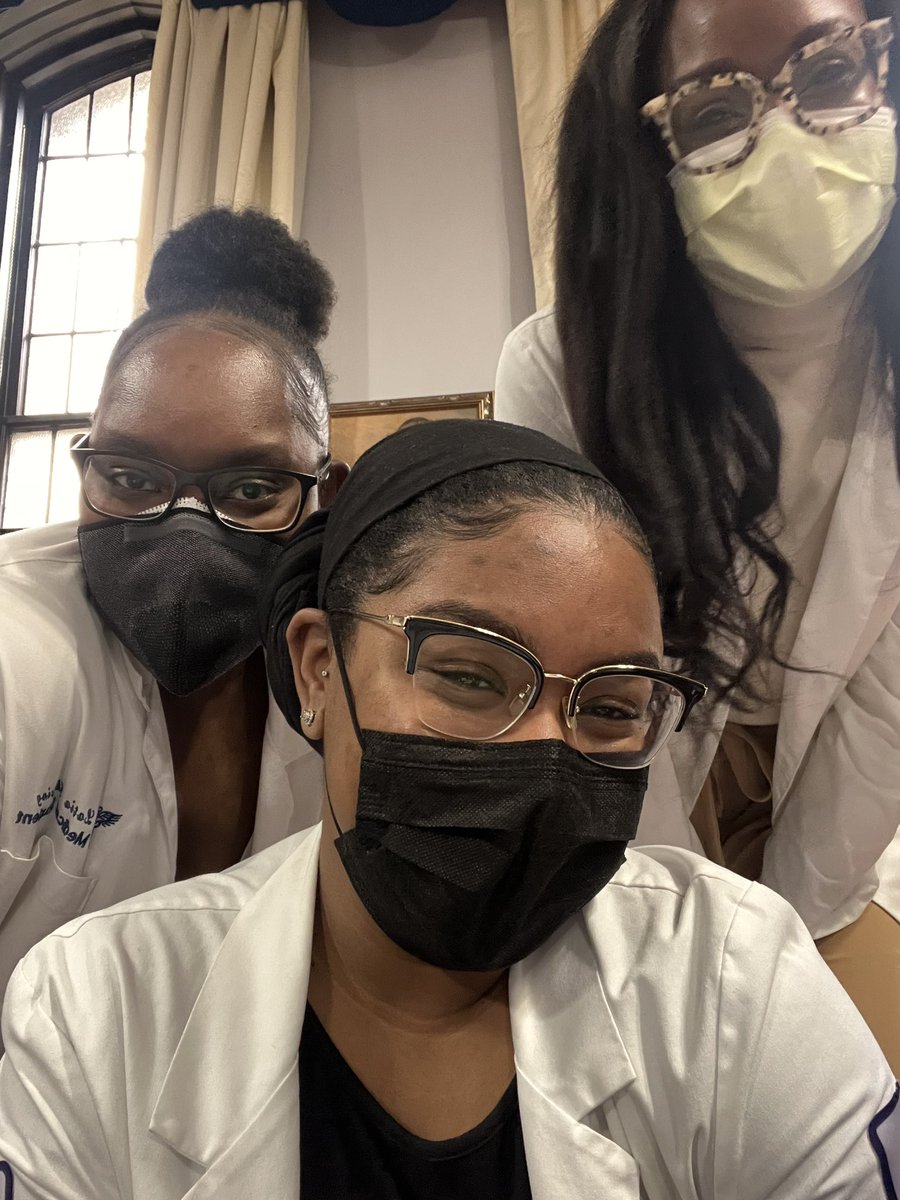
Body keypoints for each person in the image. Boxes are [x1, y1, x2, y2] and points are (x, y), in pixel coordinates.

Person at [0, 419, 894, 1200]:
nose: (544, 752)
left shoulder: (734, 976)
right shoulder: (98, 1006)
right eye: (469, 675)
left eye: (614, 705)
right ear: (319, 669)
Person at [494, 0, 900, 1067]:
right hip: (634, 762)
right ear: (643, 148)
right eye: (718, 106)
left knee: (833, 1076)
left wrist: (792, 938)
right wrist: (697, 948)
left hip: (838, 777)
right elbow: (595, 682)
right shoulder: (559, 372)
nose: (788, 142)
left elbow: (891, 694)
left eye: (827, 72)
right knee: (642, 1053)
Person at [0, 206, 342, 1010]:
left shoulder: (350, 666)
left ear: (327, 495)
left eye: (252, 489)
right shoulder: (20, 648)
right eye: (131, 477)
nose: (184, 533)